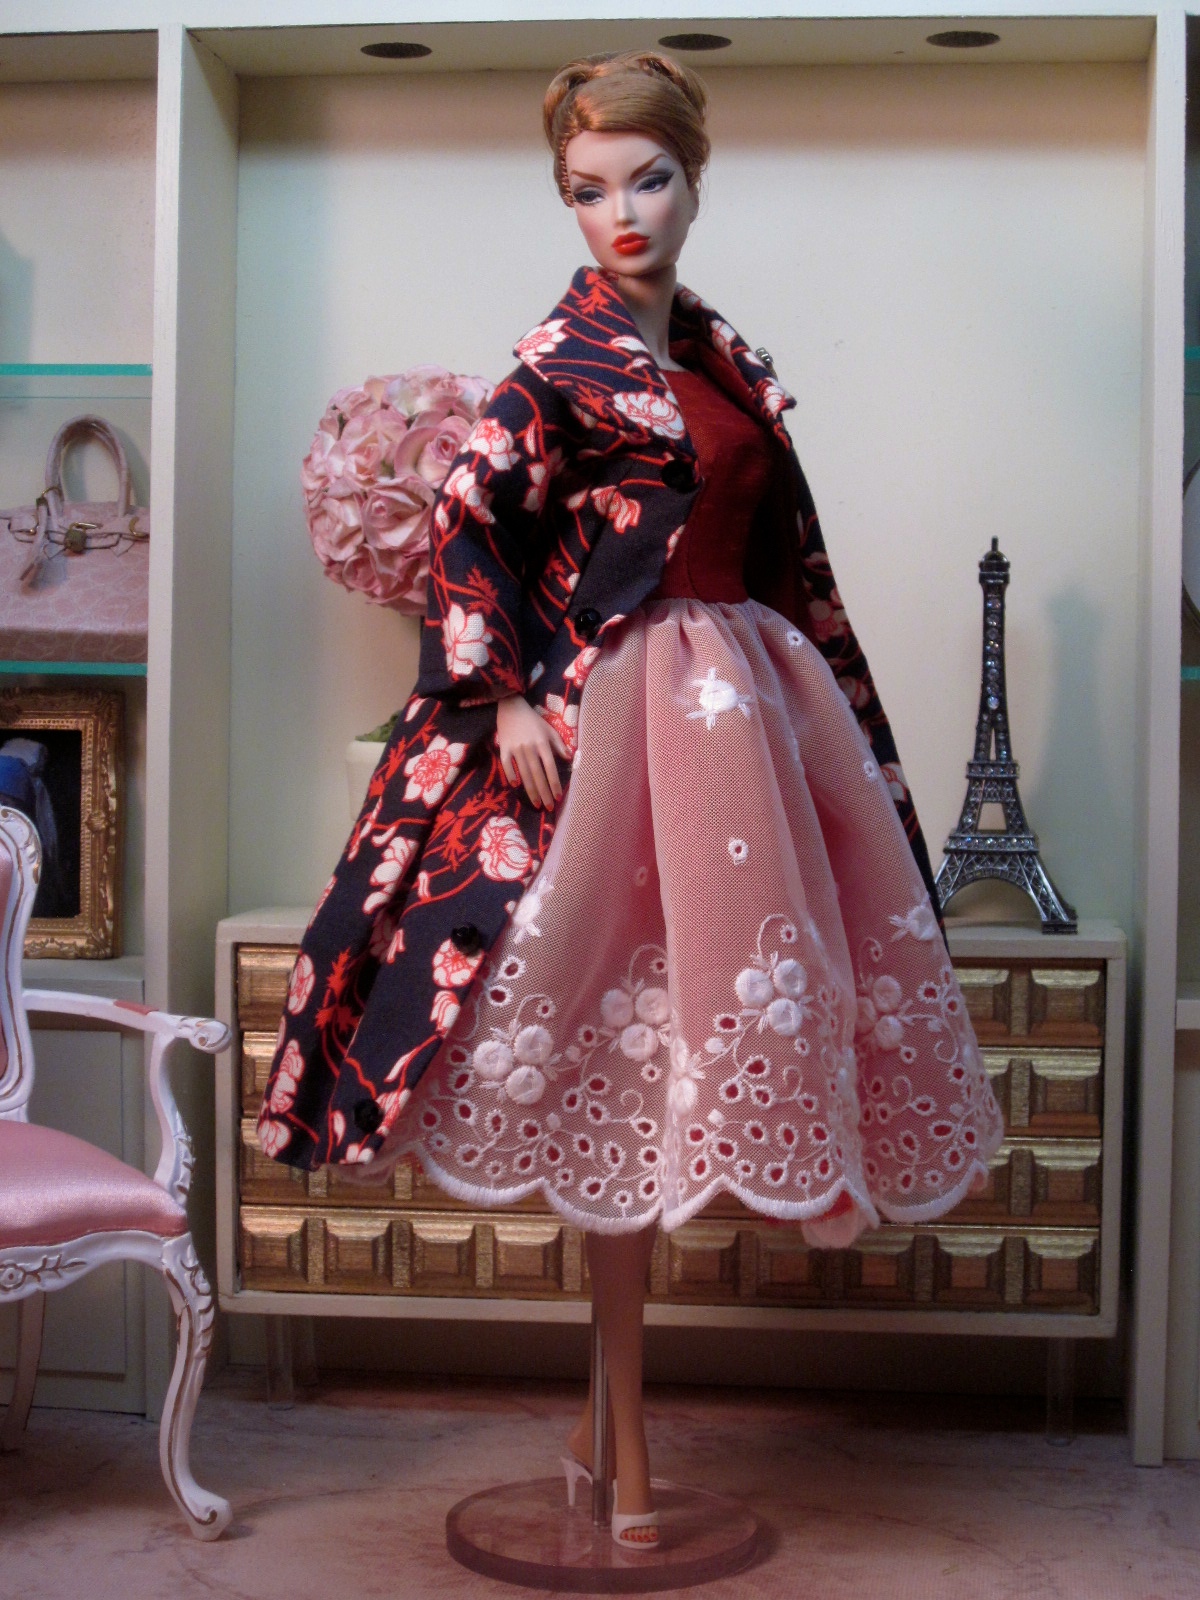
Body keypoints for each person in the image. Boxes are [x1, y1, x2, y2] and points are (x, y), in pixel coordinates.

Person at [260, 50, 1005, 1552]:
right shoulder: (553, 367)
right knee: (598, 1011)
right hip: (616, 713)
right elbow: (469, 519)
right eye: (589, 189)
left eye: (648, 180)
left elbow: (785, 546)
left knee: (702, 1017)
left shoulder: (724, 361)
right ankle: (621, 1448)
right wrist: (501, 695)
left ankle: (609, 1438)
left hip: (751, 713)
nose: (623, 212)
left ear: (694, 182)